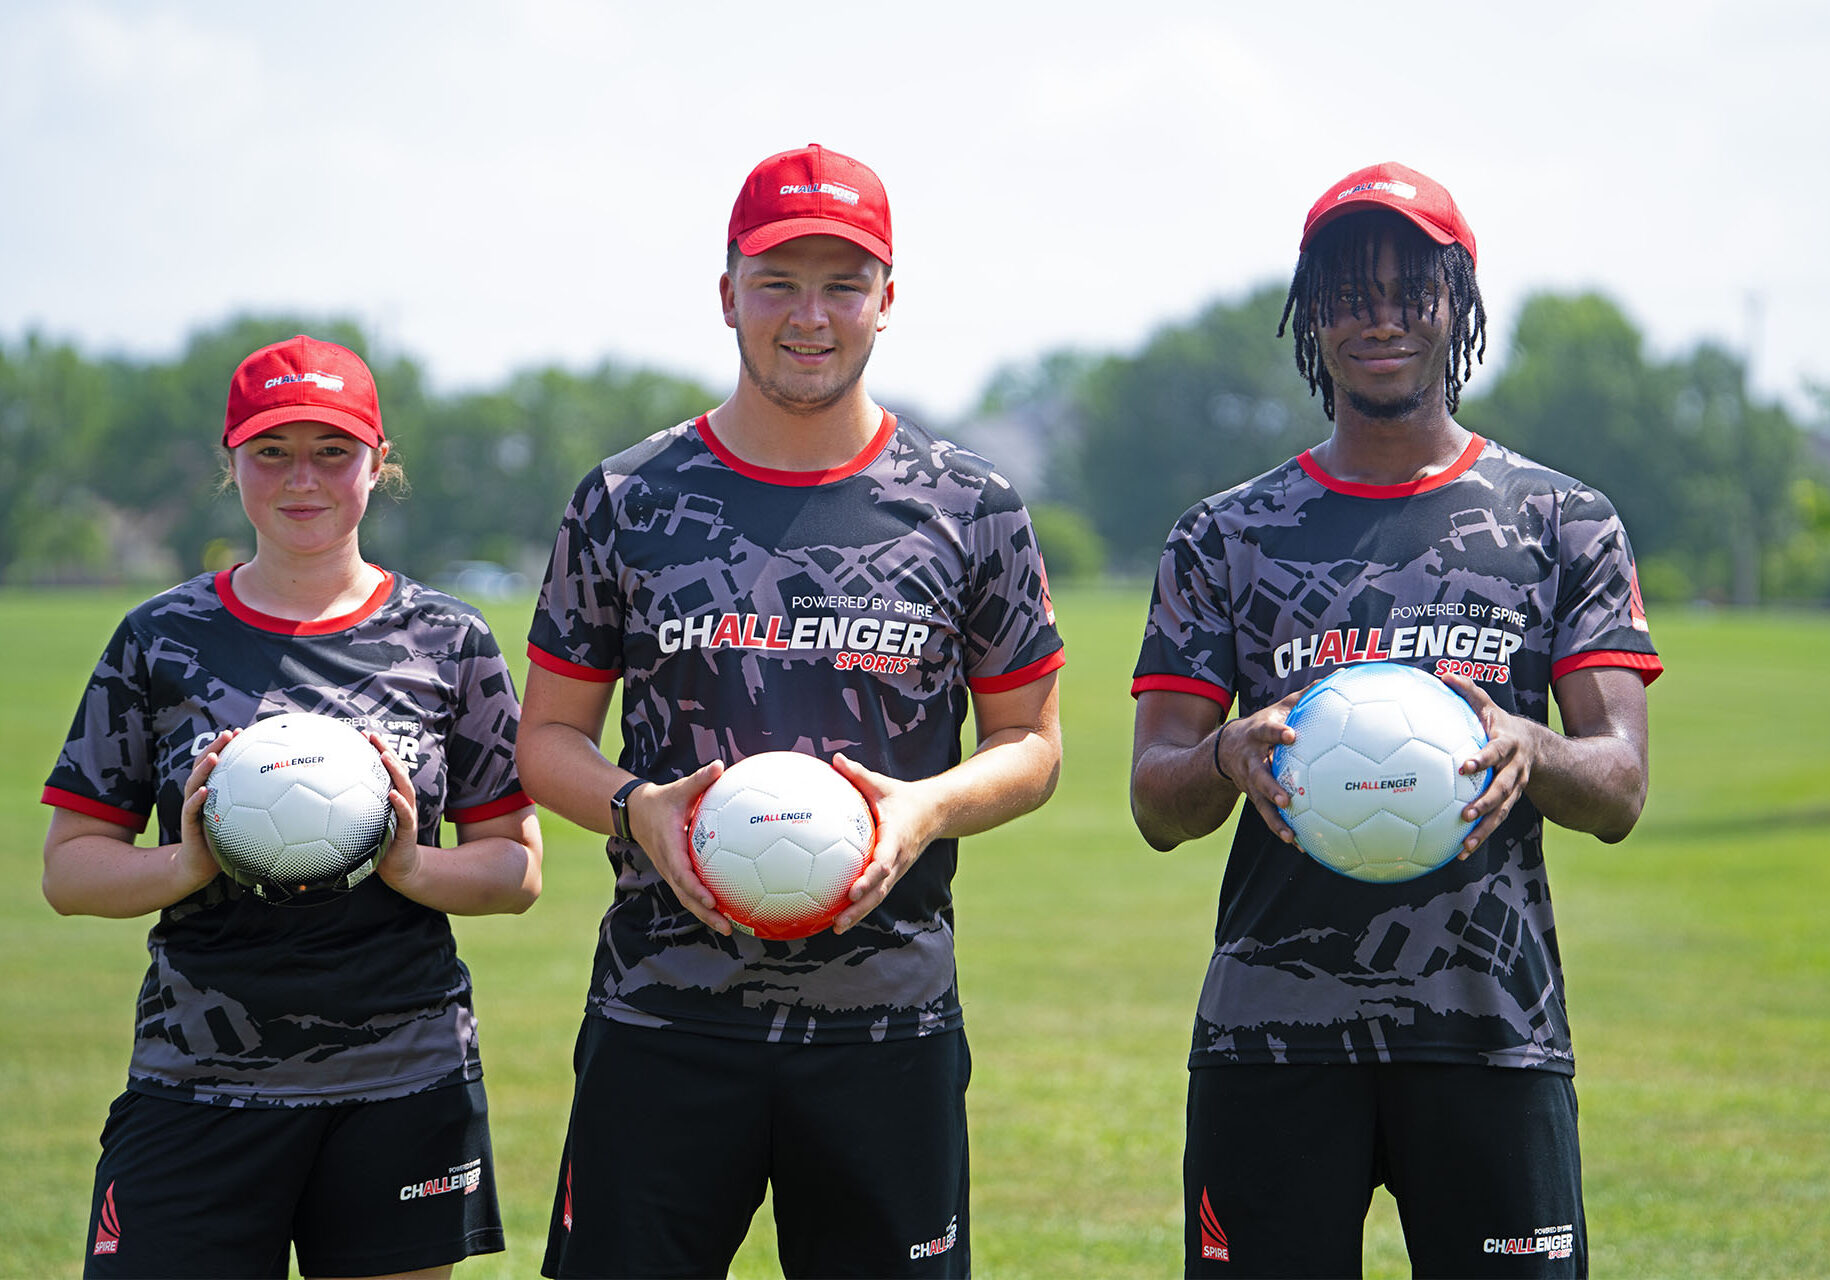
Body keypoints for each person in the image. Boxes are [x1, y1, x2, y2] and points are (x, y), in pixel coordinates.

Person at [521, 142, 1064, 1279]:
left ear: (887, 299)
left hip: (888, 1022)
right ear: (727, 294)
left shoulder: (971, 506)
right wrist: (636, 807)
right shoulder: (626, 498)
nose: (809, 315)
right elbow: (549, 738)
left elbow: (1031, 745)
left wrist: (924, 809)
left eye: (841, 284)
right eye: (777, 282)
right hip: (665, 1015)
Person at [1129, 162, 1661, 1278]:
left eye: (1412, 289)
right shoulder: (1224, 536)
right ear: (1309, 313)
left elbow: (1618, 787)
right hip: (1270, 1040)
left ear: (1459, 304)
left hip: (1491, 1034)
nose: (1381, 318)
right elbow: (1156, 801)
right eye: (1349, 292)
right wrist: (1225, 753)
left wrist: (1532, 747)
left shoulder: (1561, 522)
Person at [42, 334, 544, 1280]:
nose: (302, 478)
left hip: (404, 1081)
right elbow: (69, 870)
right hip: (198, 1080)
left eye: (332, 451)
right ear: (230, 463)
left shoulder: (449, 639)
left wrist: (412, 865)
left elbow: (516, 867)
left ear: (378, 463)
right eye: (271, 451)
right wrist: (183, 863)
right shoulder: (159, 638)